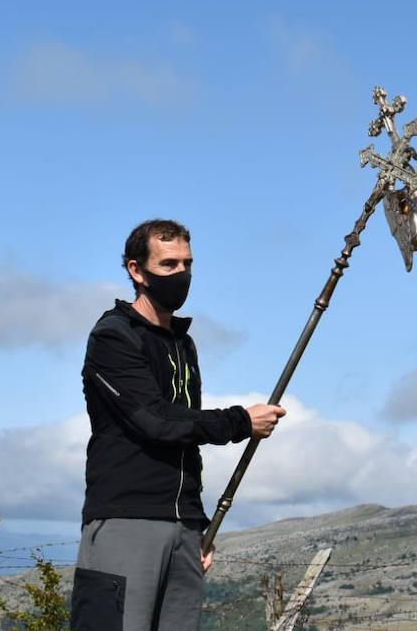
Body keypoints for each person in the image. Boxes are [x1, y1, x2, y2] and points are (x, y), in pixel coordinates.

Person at [71, 219, 285, 631]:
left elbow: (186, 439)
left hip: (184, 530)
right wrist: (241, 421)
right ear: (137, 270)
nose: (181, 275)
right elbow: (156, 421)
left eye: (187, 264)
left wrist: (192, 525)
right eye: (169, 265)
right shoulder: (113, 337)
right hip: (126, 521)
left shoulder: (183, 344)